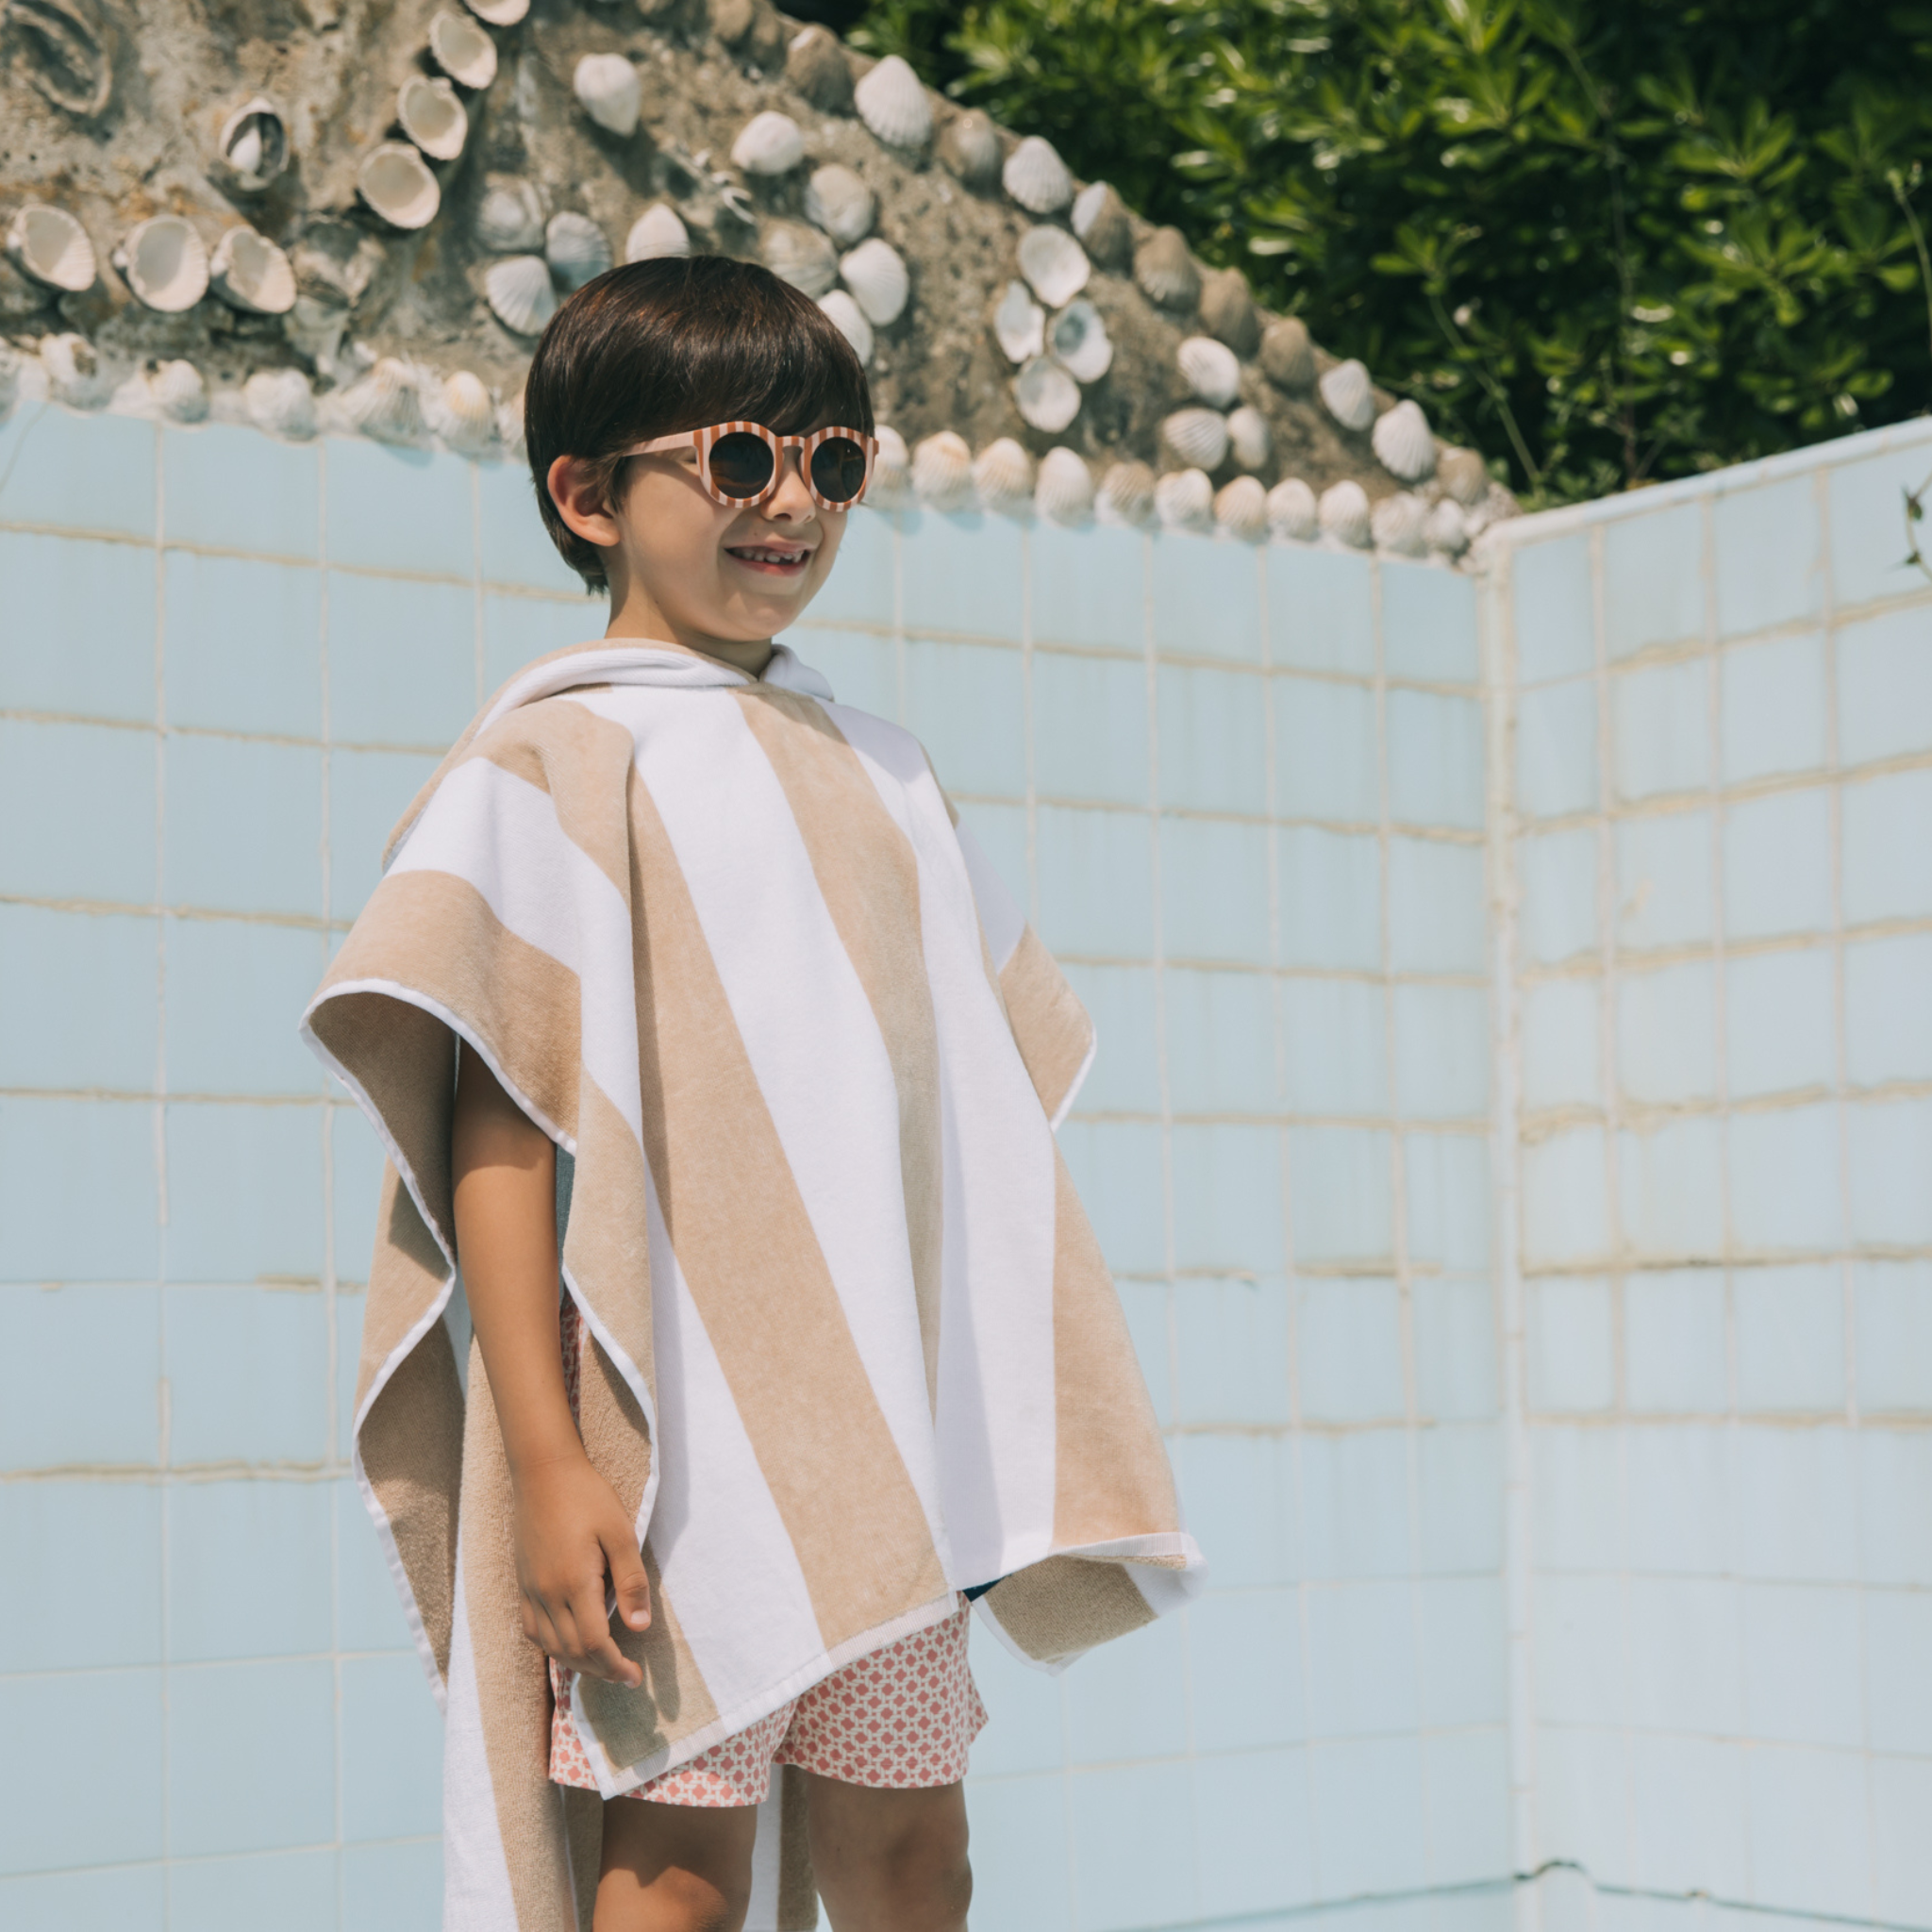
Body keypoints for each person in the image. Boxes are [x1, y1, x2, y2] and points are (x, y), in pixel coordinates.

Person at [302, 256, 1204, 1932]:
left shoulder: (884, 771)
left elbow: (970, 1113)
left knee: (914, 1856)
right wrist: (557, 1464)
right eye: (736, 460)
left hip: (873, 1448)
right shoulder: (556, 759)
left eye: (832, 464)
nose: (790, 502)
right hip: (672, 1453)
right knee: (674, 1877)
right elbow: (500, 1125)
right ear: (587, 492)